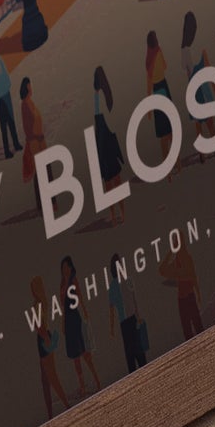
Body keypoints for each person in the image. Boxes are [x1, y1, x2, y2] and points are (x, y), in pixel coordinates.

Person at [60, 256, 100, 396]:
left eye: (66, 266)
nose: (65, 269)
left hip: (76, 320)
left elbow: (80, 298)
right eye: (63, 267)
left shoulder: (73, 281)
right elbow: (63, 307)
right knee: (75, 357)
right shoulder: (62, 284)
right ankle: (82, 386)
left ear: (70, 267)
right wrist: (63, 324)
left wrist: (85, 314)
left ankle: (97, 381)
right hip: (69, 322)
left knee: (84, 354)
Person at [91, 67, 127, 219]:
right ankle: (122, 213)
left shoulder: (96, 98)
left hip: (102, 147)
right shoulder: (106, 100)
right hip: (109, 145)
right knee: (117, 181)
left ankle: (113, 215)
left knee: (109, 184)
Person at [32, 275, 68, 417]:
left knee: (49, 377)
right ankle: (52, 412)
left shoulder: (39, 303)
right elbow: (39, 325)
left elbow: (38, 326)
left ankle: (63, 406)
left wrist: (46, 339)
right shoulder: (42, 302)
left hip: (43, 339)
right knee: (47, 378)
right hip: (44, 338)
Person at [161, 238, 204, 340]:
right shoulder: (176, 262)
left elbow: (193, 276)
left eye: (176, 242)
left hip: (189, 296)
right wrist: (171, 252)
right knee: (187, 332)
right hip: (182, 299)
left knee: (198, 327)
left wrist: (198, 294)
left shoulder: (187, 259)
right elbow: (162, 270)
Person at [109, 262, 149, 373]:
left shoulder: (122, 282)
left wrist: (112, 328)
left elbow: (113, 309)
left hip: (127, 321)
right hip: (128, 320)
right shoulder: (120, 283)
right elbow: (113, 308)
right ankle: (139, 370)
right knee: (134, 349)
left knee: (133, 350)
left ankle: (139, 371)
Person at [19, 77, 47, 193]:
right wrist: (35, 138)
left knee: (45, 169)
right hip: (34, 143)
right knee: (39, 171)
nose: (31, 88)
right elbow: (27, 126)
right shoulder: (25, 105)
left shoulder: (31, 102)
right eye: (29, 86)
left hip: (39, 140)